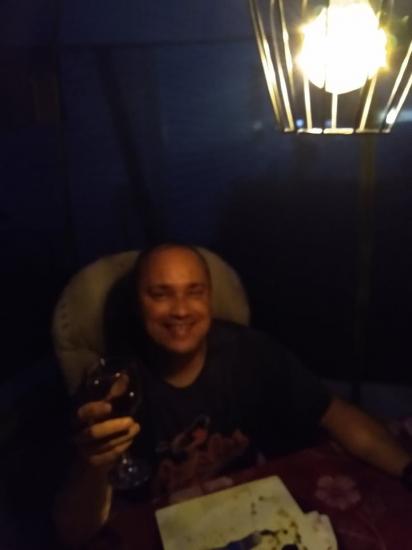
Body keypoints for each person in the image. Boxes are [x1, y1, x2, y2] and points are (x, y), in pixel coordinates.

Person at [53, 244, 412, 547]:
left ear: (210, 298)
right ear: (137, 303)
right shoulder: (115, 385)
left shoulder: (249, 351)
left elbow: (337, 414)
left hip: (246, 516)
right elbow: (73, 531)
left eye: (194, 292)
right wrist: (93, 464)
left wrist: (408, 469)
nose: (181, 310)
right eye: (160, 294)